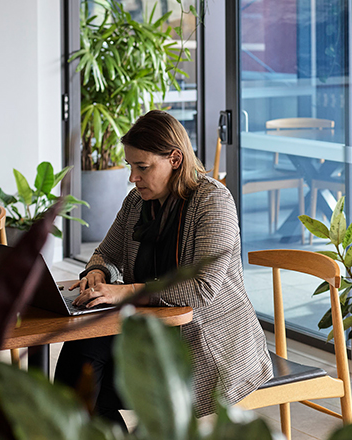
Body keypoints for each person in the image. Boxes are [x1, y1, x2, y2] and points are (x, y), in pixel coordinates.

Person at [55, 110, 273, 426]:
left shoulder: (213, 201)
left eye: (142, 167)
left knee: (88, 384)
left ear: (174, 158)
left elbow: (201, 288)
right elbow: (106, 253)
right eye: (131, 166)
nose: (133, 177)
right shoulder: (136, 203)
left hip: (208, 349)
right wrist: (97, 273)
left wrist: (124, 292)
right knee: (81, 362)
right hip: (150, 332)